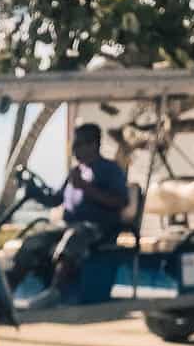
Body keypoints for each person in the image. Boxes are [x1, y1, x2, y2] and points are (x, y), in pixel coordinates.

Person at [15, 123, 129, 302]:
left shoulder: (110, 169)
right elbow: (55, 200)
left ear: (93, 145)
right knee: (33, 242)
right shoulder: (75, 172)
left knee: (74, 237)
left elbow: (121, 201)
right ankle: (7, 292)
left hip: (99, 227)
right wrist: (33, 192)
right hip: (70, 225)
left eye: (79, 145)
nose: (74, 150)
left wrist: (87, 188)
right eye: (73, 145)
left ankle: (55, 291)